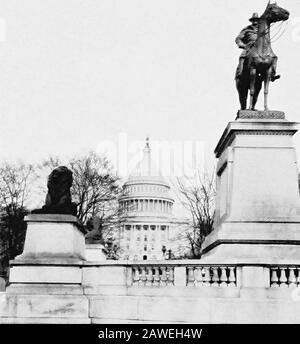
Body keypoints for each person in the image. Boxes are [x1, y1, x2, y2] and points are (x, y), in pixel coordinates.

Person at [235, 12, 280, 81]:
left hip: (261, 47)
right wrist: (242, 45)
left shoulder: (262, 29)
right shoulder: (247, 29)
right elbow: (238, 39)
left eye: (256, 20)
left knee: (274, 57)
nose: (255, 21)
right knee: (242, 56)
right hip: (250, 46)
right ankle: (240, 73)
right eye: (253, 20)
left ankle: (272, 74)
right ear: (251, 21)